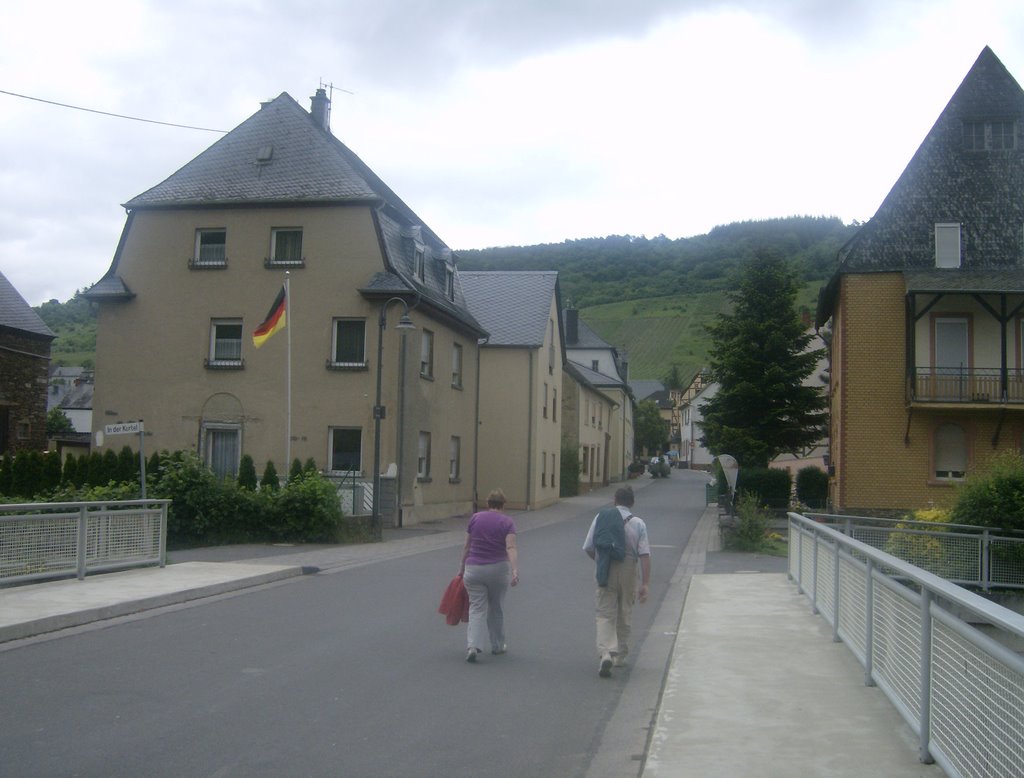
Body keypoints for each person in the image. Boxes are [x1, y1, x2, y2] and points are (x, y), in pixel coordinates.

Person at [582, 486, 651, 678]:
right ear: (632, 503)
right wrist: (645, 583)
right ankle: (620, 655)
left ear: (614, 500)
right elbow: (645, 555)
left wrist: (600, 561)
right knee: (625, 611)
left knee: (605, 612)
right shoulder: (638, 523)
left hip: (606, 567)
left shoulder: (600, 518)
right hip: (629, 568)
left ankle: (606, 652)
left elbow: (588, 547)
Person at [460, 489, 519, 663]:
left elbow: (466, 546)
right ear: (503, 505)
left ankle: (473, 646)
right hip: (497, 569)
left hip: (474, 569)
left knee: (476, 608)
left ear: (488, 504)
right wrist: (515, 569)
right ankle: (498, 645)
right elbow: (510, 547)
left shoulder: (475, 518)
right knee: (496, 607)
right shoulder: (507, 522)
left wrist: (461, 568)